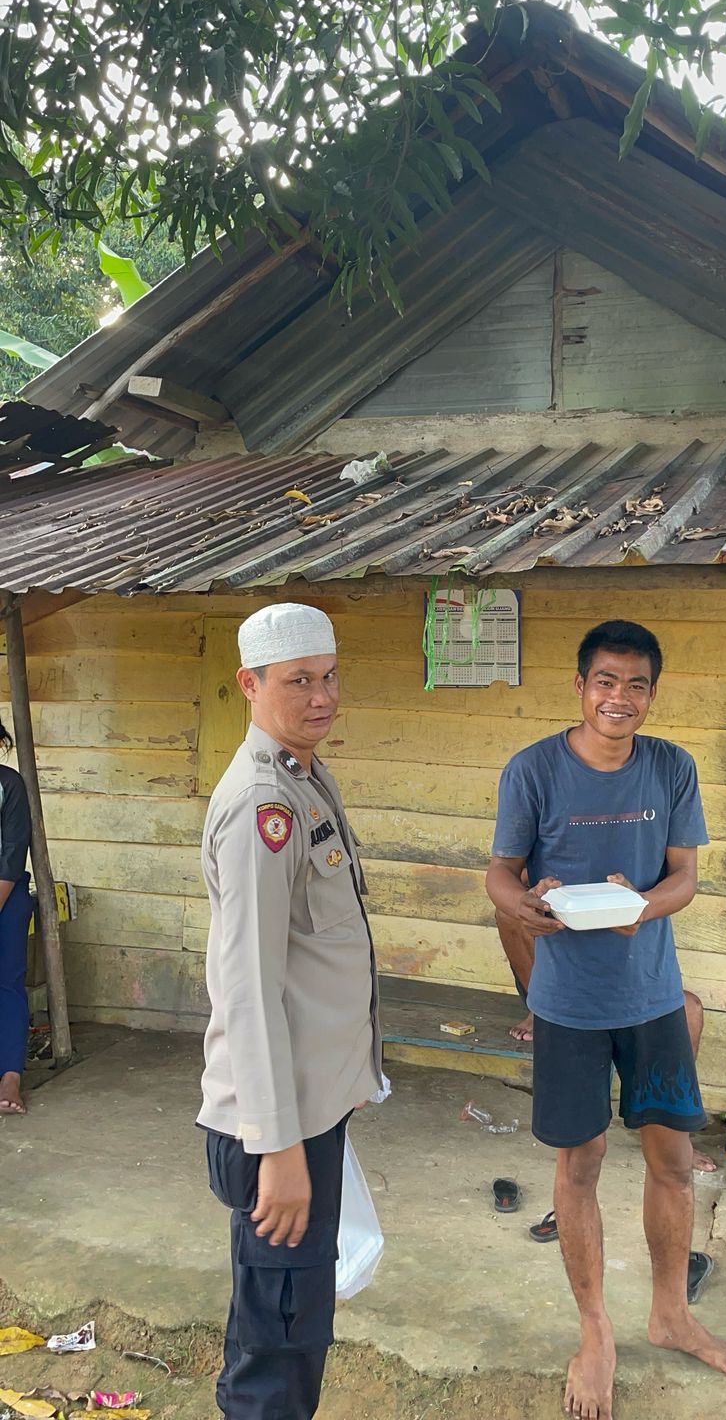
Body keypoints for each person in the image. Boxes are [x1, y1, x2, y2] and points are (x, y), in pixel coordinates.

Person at [485, 620, 726, 1420]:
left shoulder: (671, 767)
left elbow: (683, 878)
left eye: (636, 684)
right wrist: (523, 909)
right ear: (581, 686)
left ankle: (669, 1314)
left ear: (651, 693)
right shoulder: (533, 770)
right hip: (568, 1006)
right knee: (581, 1167)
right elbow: (500, 872)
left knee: (672, 1161)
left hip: (652, 998)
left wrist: (641, 907)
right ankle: (595, 1331)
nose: (620, 698)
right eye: (606, 681)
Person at [198, 603, 382, 1420]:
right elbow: (247, 986)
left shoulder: (304, 777)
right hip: (277, 1129)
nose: (323, 696)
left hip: (308, 1114)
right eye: (299, 680)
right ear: (250, 684)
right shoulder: (262, 806)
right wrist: (277, 1150)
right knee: (276, 1348)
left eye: (330, 675)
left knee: (297, 1328)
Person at [497, 907, 716, 1174]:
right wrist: (538, 1001)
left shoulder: (635, 877)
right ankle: (536, 1009)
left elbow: (682, 883)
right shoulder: (545, 875)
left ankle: (673, 1138)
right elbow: (507, 900)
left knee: (689, 1010)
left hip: (629, 982)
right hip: (563, 988)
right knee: (580, 1158)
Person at [0, 717, 32, 1116]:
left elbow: (11, 857)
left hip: (6, 897)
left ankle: (10, 1075)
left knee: (7, 983)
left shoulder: (9, 784)